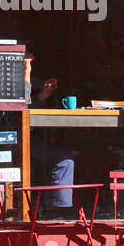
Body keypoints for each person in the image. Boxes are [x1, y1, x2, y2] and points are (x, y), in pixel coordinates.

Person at [23, 55, 76, 220]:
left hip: (33, 144)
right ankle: (57, 210)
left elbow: (29, 103)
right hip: (17, 147)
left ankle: (57, 207)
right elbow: (23, 107)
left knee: (62, 156)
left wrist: (44, 94)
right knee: (64, 158)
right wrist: (26, 71)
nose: (30, 63)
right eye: (28, 60)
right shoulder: (10, 82)